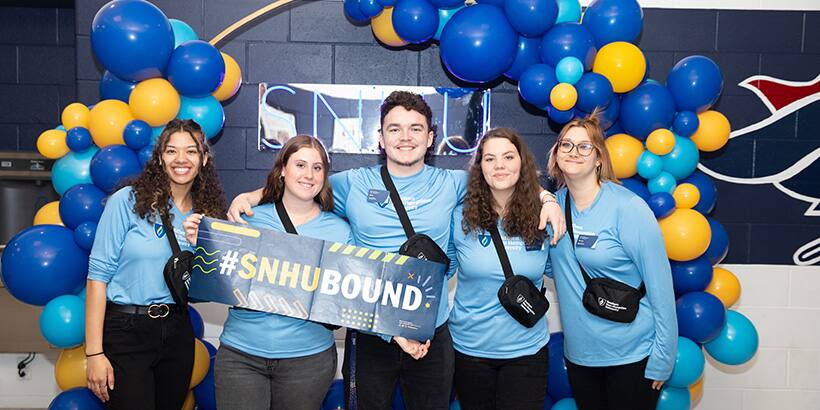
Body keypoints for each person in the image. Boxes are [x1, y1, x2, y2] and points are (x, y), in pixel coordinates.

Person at [228, 91, 565, 410]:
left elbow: (505, 178)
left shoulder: (453, 183)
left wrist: (546, 198)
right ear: (381, 137)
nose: (405, 137)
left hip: (432, 333)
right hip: (372, 332)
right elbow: (303, 181)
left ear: (430, 137)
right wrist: (253, 196)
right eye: (395, 128)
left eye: (415, 128)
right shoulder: (354, 183)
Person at [183, 135, 352, 410]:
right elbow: (221, 281)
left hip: (308, 360)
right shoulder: (246, 217)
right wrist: (201, 245)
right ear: (282, 169)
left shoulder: (340, 232)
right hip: (241, 355)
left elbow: (347, 299)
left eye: (317, 167)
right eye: (300, 164)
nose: (309, 174)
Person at [85, 119, 226, 409]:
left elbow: (204, 289)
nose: (181, 159)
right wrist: (94, 354)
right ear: (160, 158)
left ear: (204, 159)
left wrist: (202, 245)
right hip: (127, 329)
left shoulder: (208, 216)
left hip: (177, 330)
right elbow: (97, 278)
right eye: (172, 151)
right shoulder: (126, 201)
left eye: (191, 151)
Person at [546, 115, 677, 410]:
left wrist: (663, 357)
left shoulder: (628, 208)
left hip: (633, 356)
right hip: (581, 357)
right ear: (556, 154)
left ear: (599, 159)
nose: (573, 152)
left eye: (584, 146)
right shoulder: (553, 207)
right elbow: (552, 266)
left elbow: (660, 285)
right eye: (566, 144)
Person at [449, 128, 552, 410]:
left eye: (508, 157)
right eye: (490, 159)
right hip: (470, 351)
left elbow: (563, 272)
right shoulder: (460, 218)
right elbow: (440, 271)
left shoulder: (544, 217)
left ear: (522, 163)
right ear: (479, 167)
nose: (500, 166)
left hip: (526, 351)